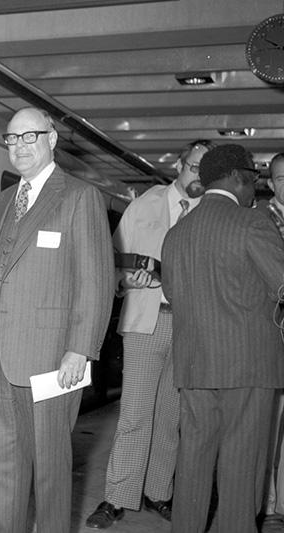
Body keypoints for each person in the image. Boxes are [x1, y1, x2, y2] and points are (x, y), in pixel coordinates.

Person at [0, 106, 114, 533]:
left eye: (29, 136)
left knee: (52, 472)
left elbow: (95, 281)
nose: (19, 146)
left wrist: (81, 349)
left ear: (52, 139)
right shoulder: (1, 203)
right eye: (12, 139)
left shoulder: (79, 196)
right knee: (2, 471)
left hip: (53, 360)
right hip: (1, 355)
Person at [85, 139, 215, 529]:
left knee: (171, 416)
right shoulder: (144, 205)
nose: (198, 177)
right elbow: (109, 262)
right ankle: (116, 496)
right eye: (194, 167)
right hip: (147, 320)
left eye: (205, 172)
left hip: (192, 326)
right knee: (135, 413)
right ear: (179, 163)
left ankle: (159, 492)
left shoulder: (213, 211)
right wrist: (126, 278)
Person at [161, 143, 284, 533]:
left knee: (193, 465)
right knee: (240, 468)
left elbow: (171, 293)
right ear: (237, 178)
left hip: (195, 366)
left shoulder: (178, 232)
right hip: (248, 367)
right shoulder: (252, 222)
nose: (255, 191)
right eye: (253, 182)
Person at [259, 151, 284, 533]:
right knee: (269, 428)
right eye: (280, 177)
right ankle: (270, 507)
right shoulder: (257, 220)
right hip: (271, 338)